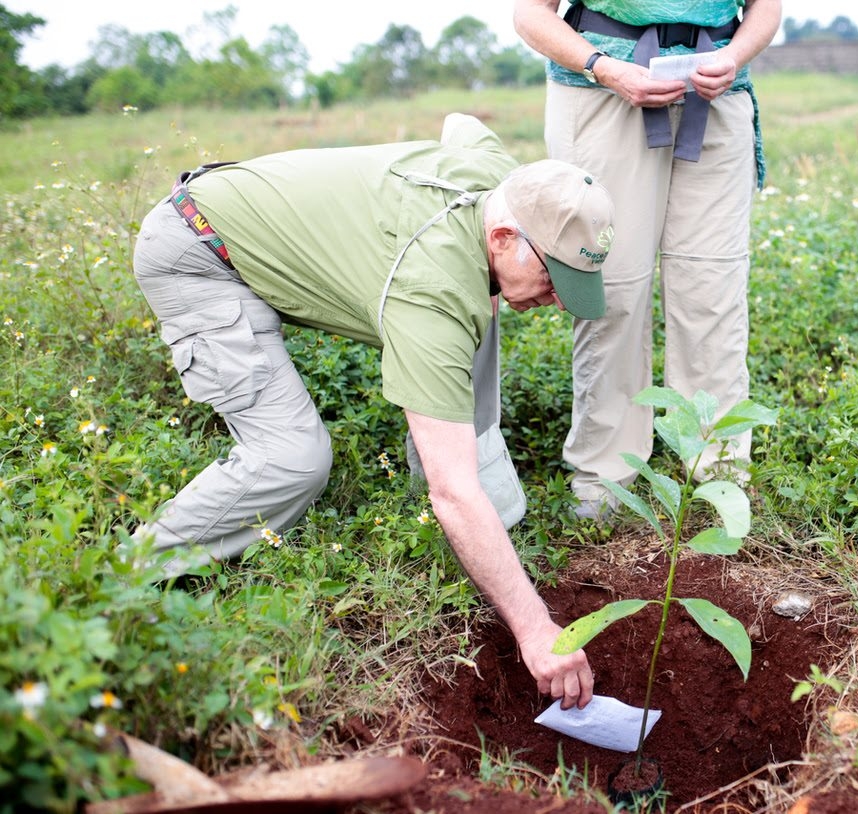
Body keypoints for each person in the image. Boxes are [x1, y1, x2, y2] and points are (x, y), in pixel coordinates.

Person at [130, 113, 615, 711]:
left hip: (240, 215)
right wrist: (537, 628)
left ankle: (490, 502)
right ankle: (125, 577)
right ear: (503, 238)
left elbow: (463, 124)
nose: (559, 300)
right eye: (553, 276)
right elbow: (453, 493)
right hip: (197, 251)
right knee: (292, 459)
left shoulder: (503, 184)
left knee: (482, 312)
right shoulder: (429, 296)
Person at [514, 0, 781, 520]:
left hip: (718, 94)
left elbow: (765, 8)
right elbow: (531, 13)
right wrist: (606, 68)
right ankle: (603, 473)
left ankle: (718, 471)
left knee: (713, 289)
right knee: (611, 287)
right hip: (602, 92)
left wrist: (736, 55)